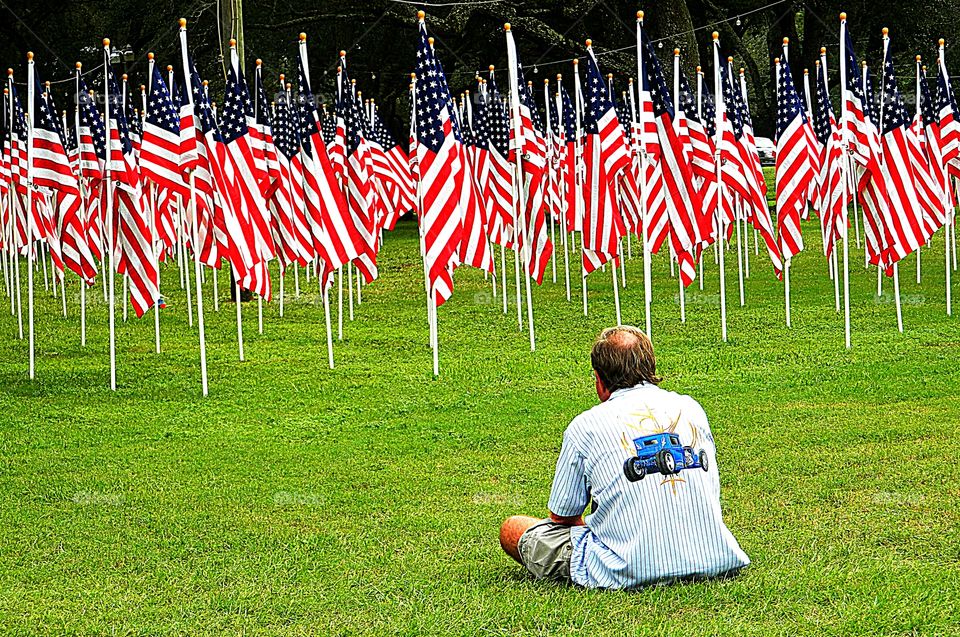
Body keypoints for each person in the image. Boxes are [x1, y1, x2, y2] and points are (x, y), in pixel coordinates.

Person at [499, 325, 750, 589]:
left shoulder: (585, 426)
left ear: (599, 378)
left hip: (625, 569)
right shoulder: (691, 408)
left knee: (513, 528)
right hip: (714, 557)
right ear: (651, 366)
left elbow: (562, 518)